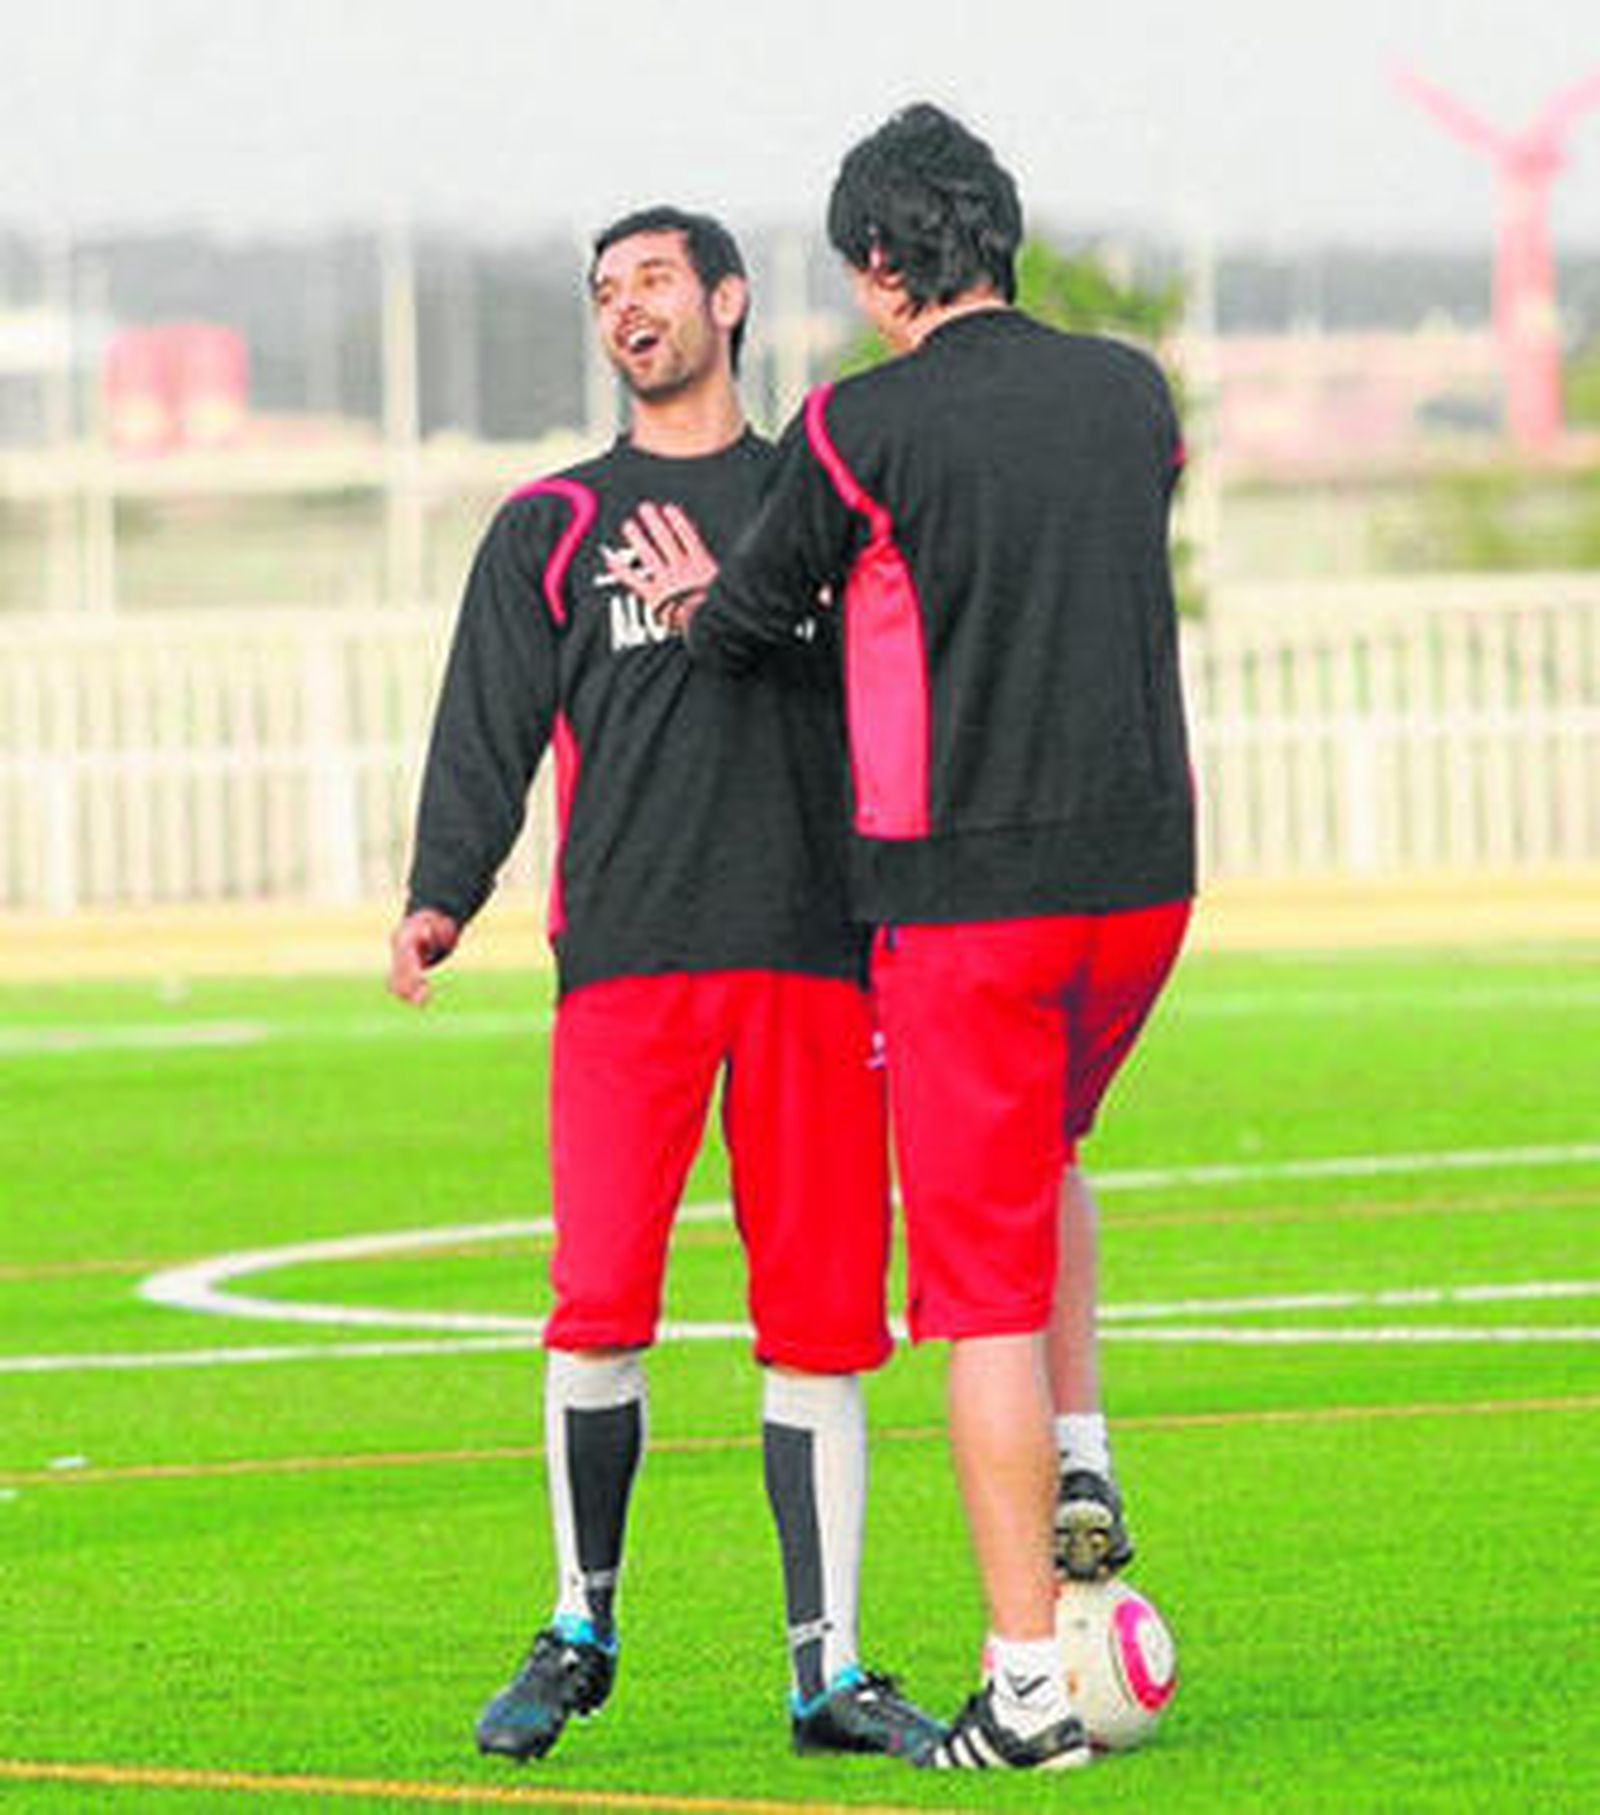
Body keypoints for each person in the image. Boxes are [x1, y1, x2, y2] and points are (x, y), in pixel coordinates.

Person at [610, 109, 1195, 1772]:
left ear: (877, 270)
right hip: (1145, 882)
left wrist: (721, 593)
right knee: (1055, 1150)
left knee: (977, 1295)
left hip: (967, 908)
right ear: (997, 236)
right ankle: (1084, 1452)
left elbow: (741, 627)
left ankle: (1024, 1691)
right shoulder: (1131, 394)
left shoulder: (857, 424)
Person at [388, 205, 942, 1766]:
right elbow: (484, 724)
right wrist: (443, 893)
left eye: (654, 281)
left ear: (728, 298)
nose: (629, 307)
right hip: (625, 967)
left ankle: (826, 1672)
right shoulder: (551, 523)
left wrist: (738, 614)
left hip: (814, 963)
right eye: (605, 290)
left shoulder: (820, 496)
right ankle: (578, 1629)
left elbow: (886, 696)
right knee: (599, 1305)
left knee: (824, 1323)